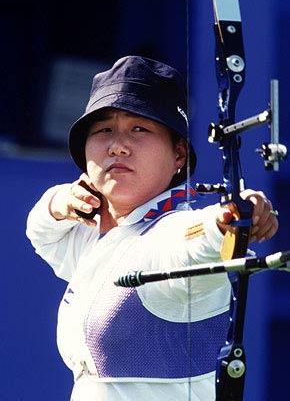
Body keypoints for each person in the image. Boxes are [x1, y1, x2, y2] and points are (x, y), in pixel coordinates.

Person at [26, 56, 278, 401]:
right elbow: (40, 231)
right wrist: (61, 199)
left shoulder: (168, 232)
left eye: (139, 129)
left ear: (178, 155)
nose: (117, 145)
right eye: (103, 130)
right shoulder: (91, 236)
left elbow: (191, 242)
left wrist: (230, 219)